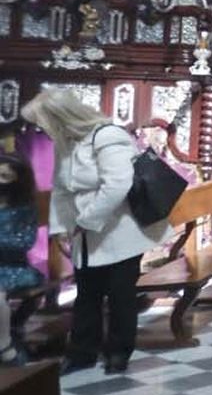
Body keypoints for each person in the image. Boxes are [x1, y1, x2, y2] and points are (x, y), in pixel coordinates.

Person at [22, 89, 167, 375]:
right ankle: (81, 353)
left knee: (119, 294)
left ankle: (118, 352)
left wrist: (85, 222)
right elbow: (61, 190)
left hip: (119, 231)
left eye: (43, 123)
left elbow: (117, 185)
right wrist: (60, 228)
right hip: (84, 234)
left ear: (61, 118)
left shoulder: (108, 136)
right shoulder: (65, 142)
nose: (41, 130)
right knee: (87, 293)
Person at [0, 154, 44, 366]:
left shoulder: (24, 208)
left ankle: (6, 345)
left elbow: (25, 241)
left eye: (5, 176)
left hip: (13, 267)